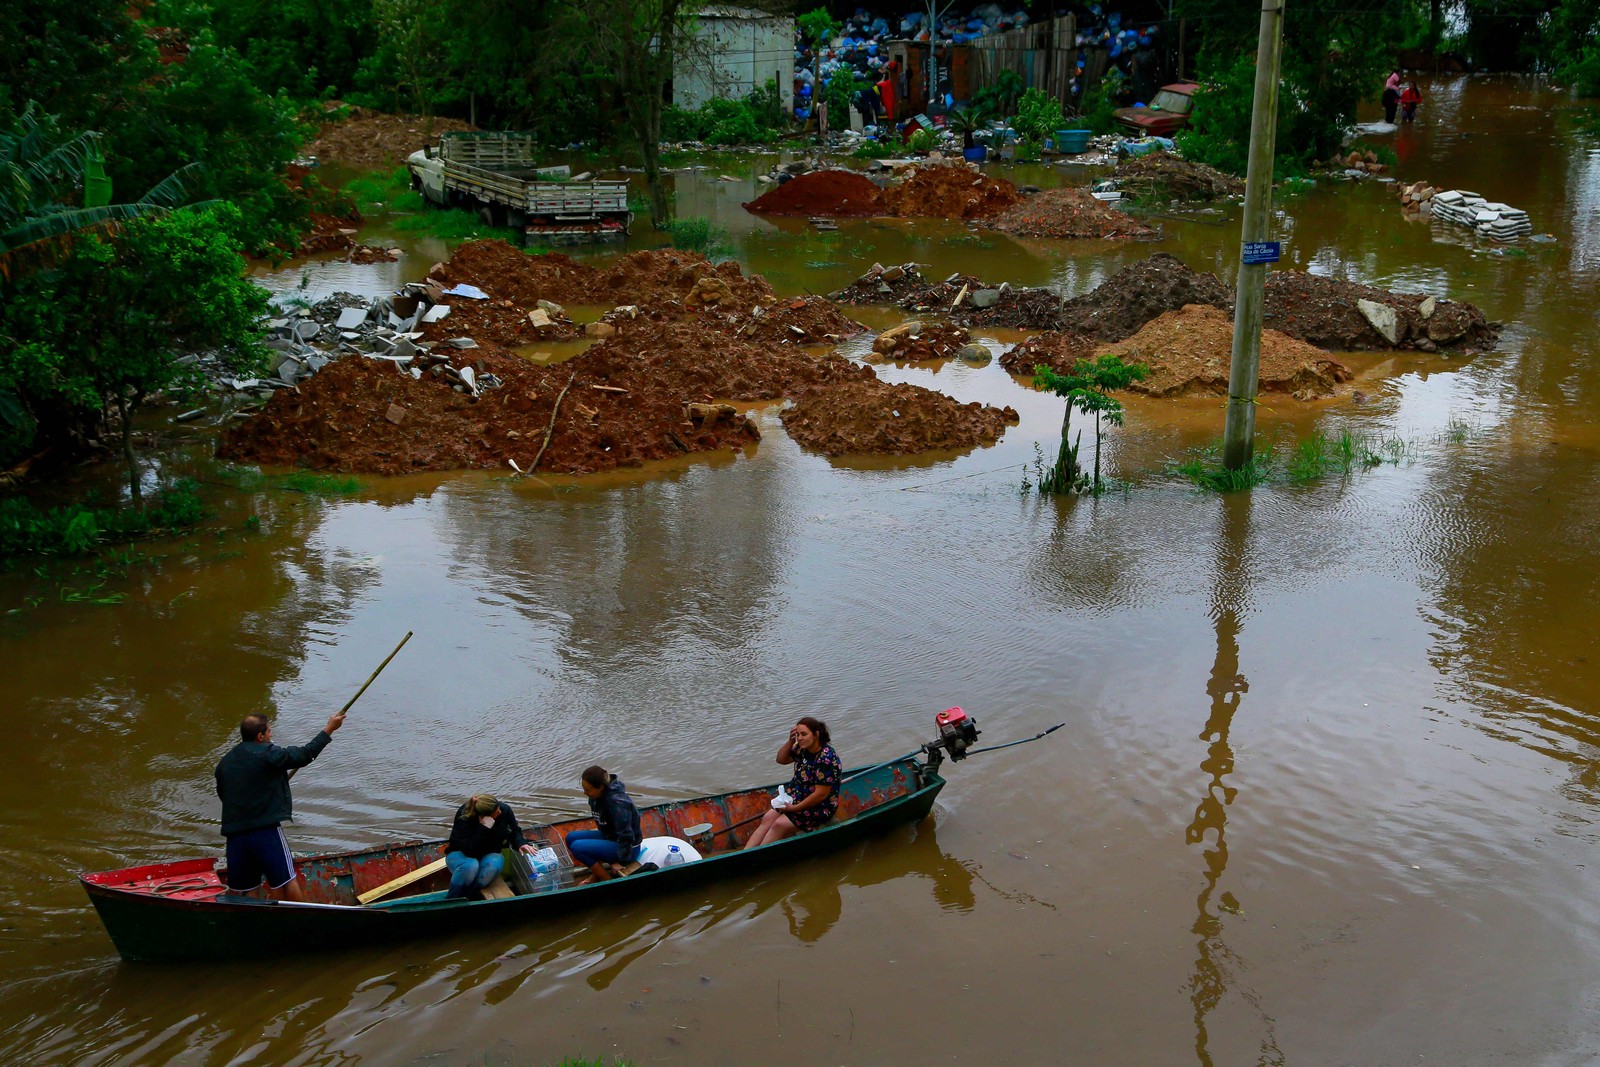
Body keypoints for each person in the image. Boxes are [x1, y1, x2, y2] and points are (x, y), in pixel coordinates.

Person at [214, 710, 345, 901]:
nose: (271, 735)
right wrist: (329, 729)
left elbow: (224, 795)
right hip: (265, 832)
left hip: (236, 835)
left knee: (247, 889)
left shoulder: (225, 763)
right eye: (268, 731)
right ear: (260, 736)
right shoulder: (268, 752)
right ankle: (301, 920)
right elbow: (304, 755)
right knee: (287, 879)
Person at [744, 717, 841, 849]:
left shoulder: (826, 758)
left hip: (819, 807)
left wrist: (795, 808)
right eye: (798, 735)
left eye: (804, 734)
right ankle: (746, 853)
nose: (800, 738)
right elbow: (781, 760)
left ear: (816, 735)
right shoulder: (802, 749)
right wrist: (790, 741)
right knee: (767, 818)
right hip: (796, 796)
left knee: (779, 825)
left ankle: (754, 858)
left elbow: (820, 795)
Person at [445, 794, 536, 898]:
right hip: (461, 853)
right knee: (470, 865)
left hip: (489, 852)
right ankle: (453, 897)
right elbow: (469, 850)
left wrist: (521, 843)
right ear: (484, 816)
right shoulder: (464, 816)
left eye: (498, 807)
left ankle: (472, 894)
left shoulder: (504, 810)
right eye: (496, 812)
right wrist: (483, 828)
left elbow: (514, 830)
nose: (500, 812)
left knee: (494, 865)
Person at [565, 765, 643, 881]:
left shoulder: (618, 803)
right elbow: (601, 823)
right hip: (610, 837)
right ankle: (597, 873)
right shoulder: (595, 797)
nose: (584, 793)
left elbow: (626, 835)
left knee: (577, 847)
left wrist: (621, 861)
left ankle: (608, 880)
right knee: (571, 838)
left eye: (587, 790)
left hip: (628, 848)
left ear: (600, 787)